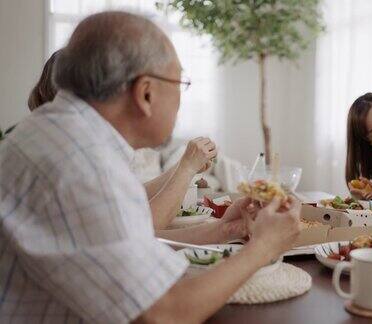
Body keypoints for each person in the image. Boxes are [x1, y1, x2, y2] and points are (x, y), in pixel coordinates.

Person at [0, 11, 302, 323]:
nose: (181, 99)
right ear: (146, 93)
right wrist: (266, 246)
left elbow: (130, 245)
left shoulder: (59, 136)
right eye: (180, 82)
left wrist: (226, 228)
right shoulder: (83, 163)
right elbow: (164, 314)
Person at [27, 47, 215, 233]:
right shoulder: (73, 151)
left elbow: (130, 198)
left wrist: (183, 167)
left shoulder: (62, 136)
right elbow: (141, 228)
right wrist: (186, 168)